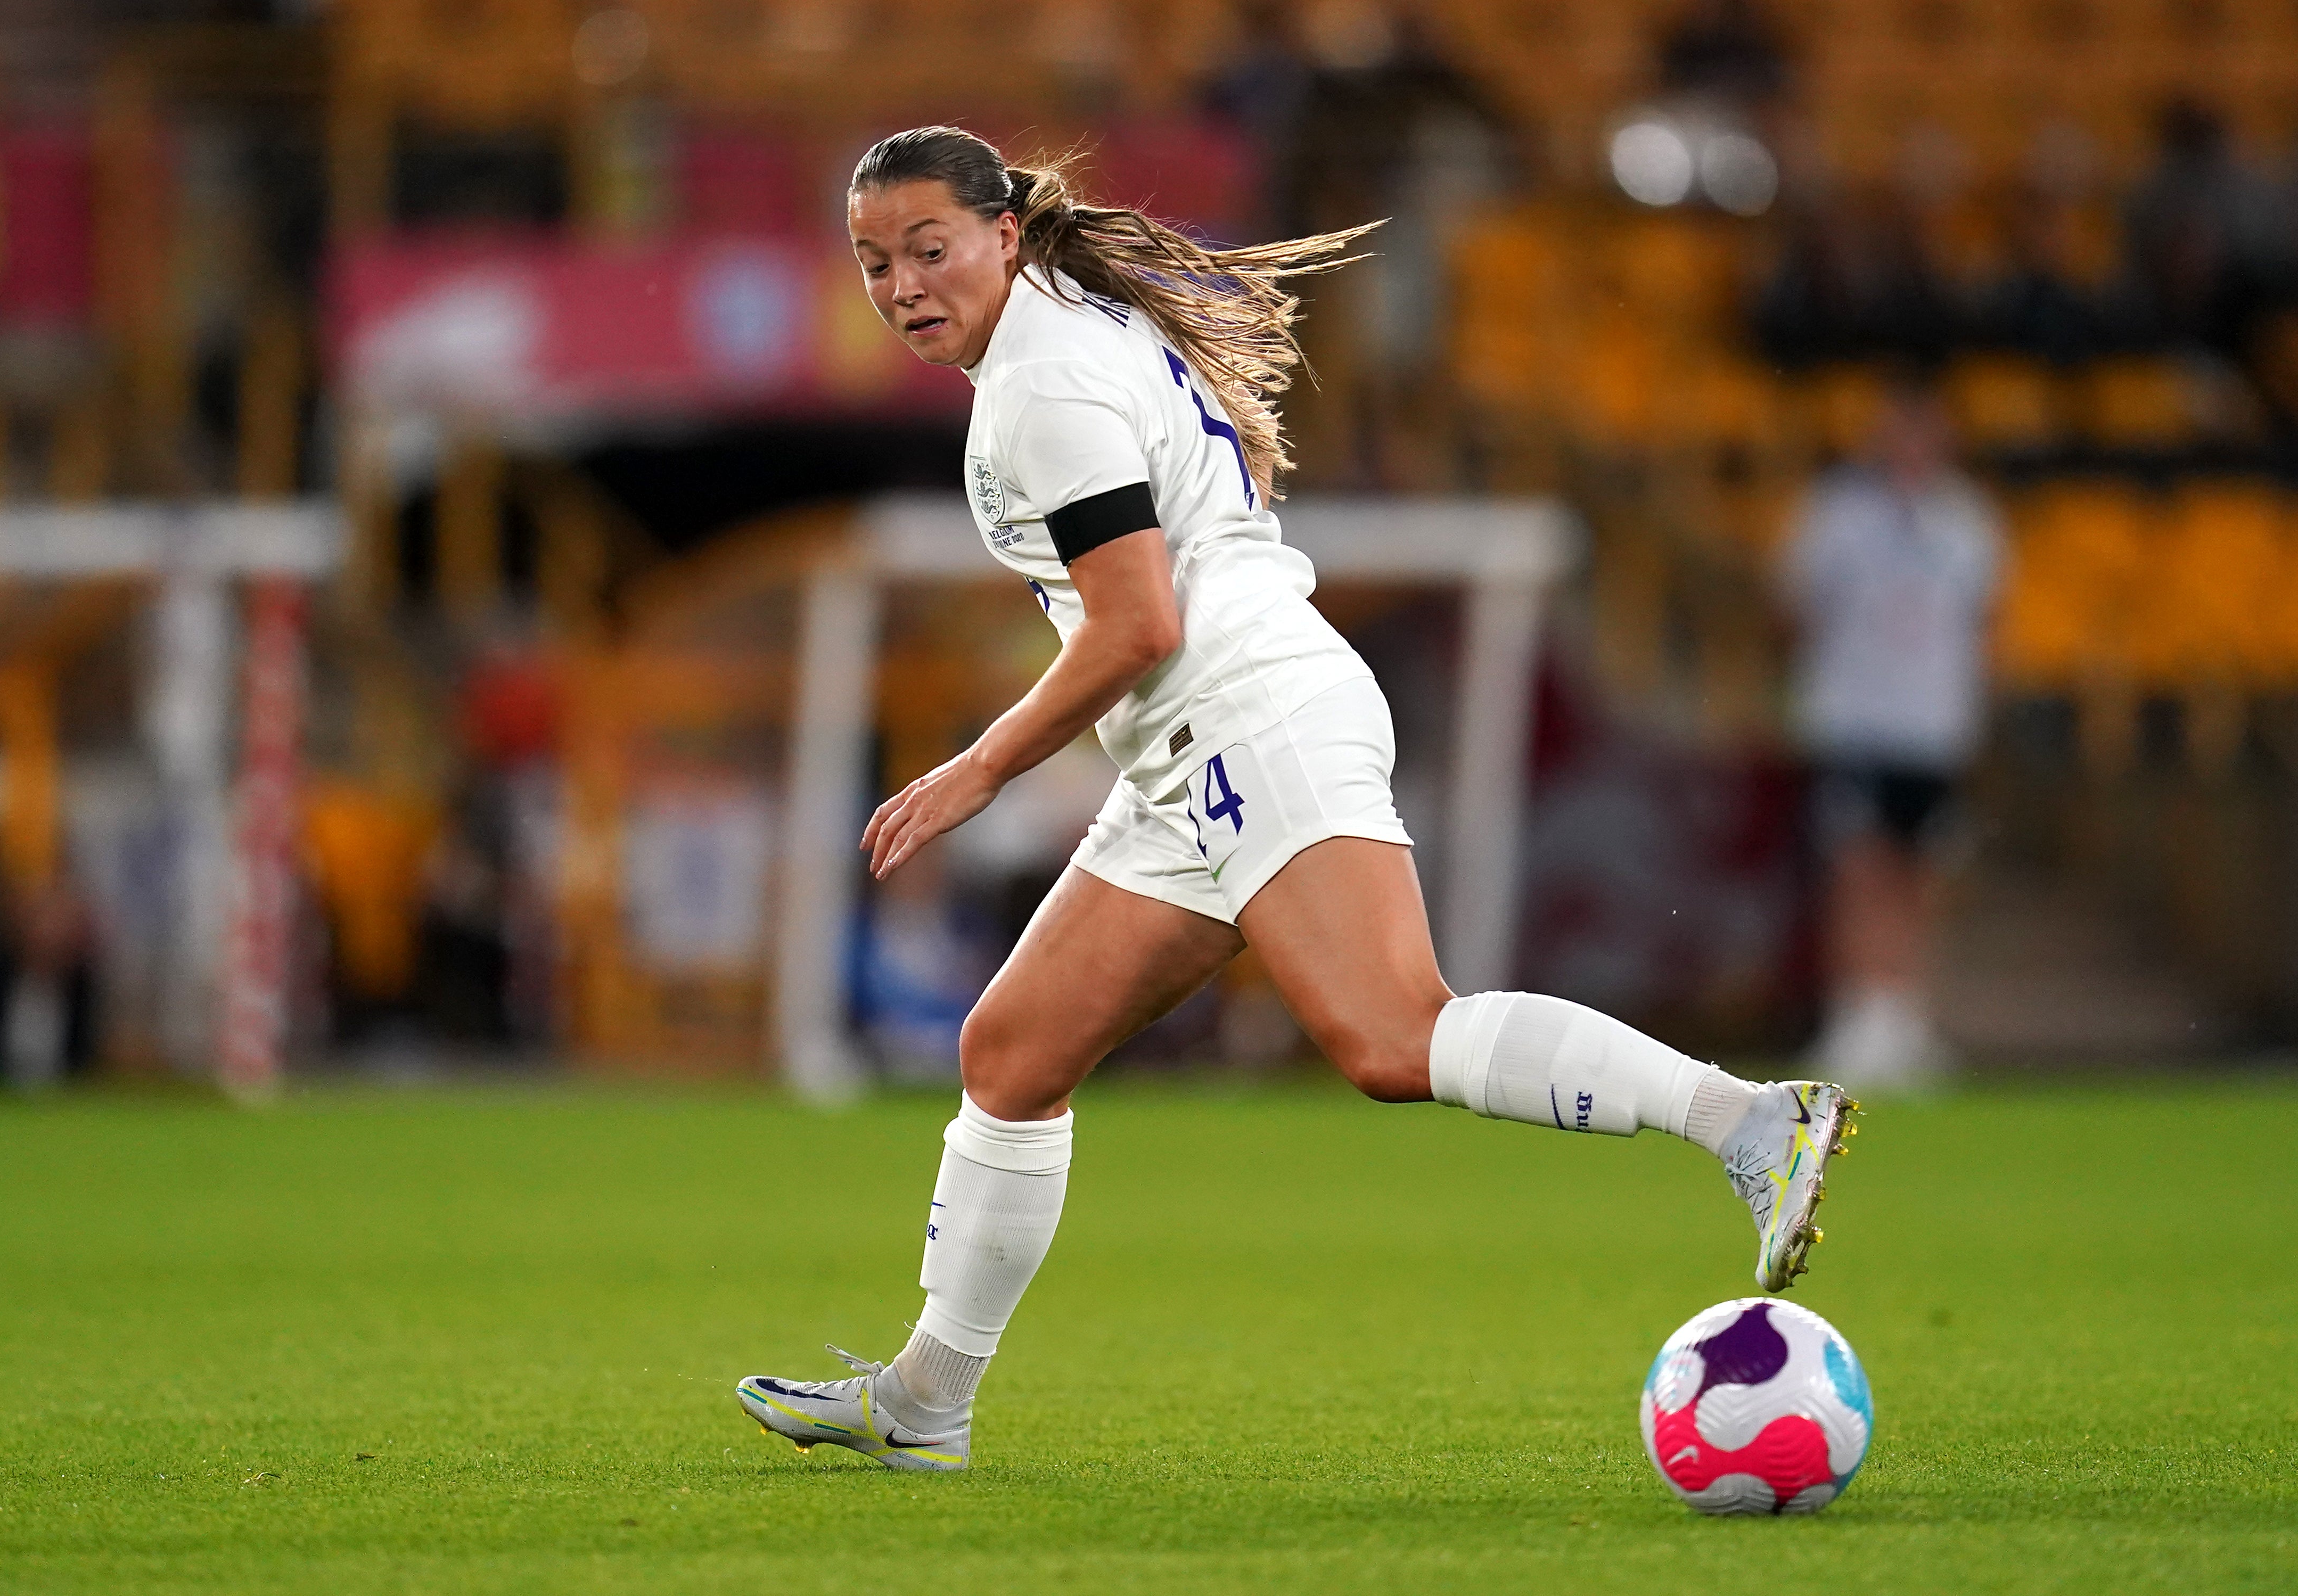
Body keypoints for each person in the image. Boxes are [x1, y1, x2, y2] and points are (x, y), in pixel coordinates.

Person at [736, 126, 1857, 1473]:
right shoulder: (1064, 329)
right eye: (873, 264)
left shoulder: (1042, 386)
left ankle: (1744, 1119)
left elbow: (1137, 622)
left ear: (1005, 235)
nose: (905, 284)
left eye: (929, 248)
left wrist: (979, 765)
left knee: (1392, 1036)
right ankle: (927, 1397)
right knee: (1010, 1054)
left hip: (1243, 711)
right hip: (1192, 742)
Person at [1779, 379, 2001, 1088]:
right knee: (1856, 866)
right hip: (1856, 717)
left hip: (1929, 726)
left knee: (1918, 872)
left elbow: (1986, 621)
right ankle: (1856, 1013)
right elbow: (1795, 607)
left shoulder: (1966, 523)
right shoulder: (1839, 516)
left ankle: (1903, 1014)